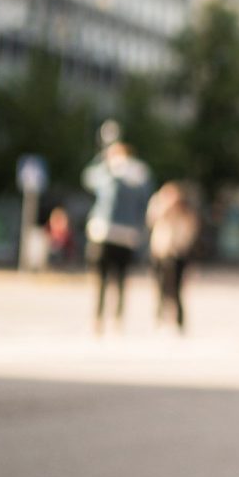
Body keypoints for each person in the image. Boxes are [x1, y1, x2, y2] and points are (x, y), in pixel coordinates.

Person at [82, 141, 152, 334]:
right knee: (110, 280)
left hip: (112, 233)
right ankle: (107, 319)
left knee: (111, 280)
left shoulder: (117, 172)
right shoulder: (135, 173)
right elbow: (88, 178)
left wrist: (103, 158)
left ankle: (109, 319)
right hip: (117, 234)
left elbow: (88, 178)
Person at [145, 181, 198, 333]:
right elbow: (151, 220)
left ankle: (179, 321)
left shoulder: (186, 212)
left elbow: (190, 232)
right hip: (160, 252)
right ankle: (160, 317)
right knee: (160, 286)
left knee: (177, 289)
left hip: (178, 253)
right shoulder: (159, 207)